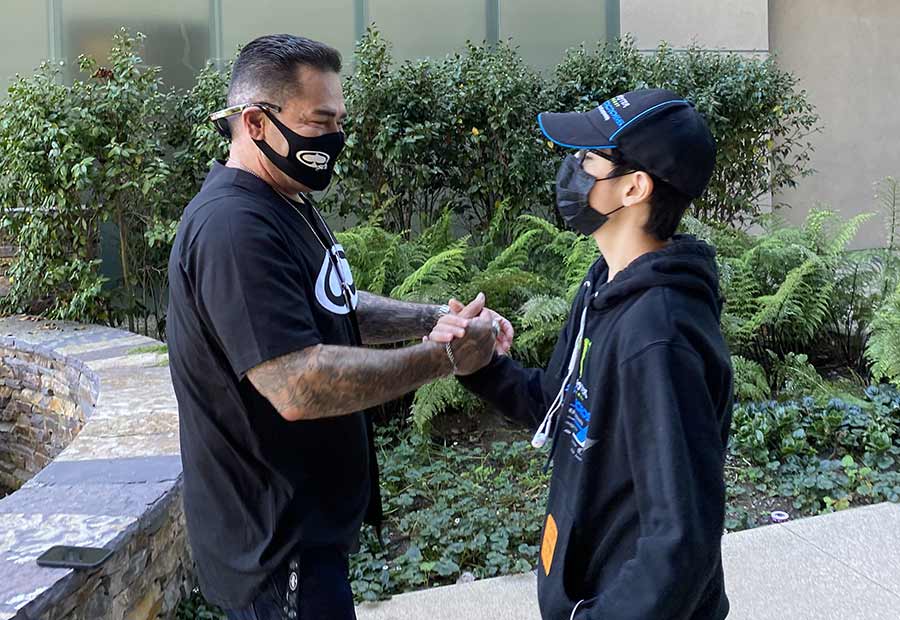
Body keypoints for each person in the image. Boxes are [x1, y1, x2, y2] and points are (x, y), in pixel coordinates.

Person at [166, 34, 511, 620]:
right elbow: (297, 384)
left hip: (309, 537)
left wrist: (434, 320)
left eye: (338, 121)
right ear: (255, 122)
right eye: (320, 121)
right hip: (275, 555)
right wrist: (447, 357)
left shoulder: (286, 199)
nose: (333, 138)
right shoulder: (234, 228)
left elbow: (336, 306)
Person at [435, 89, 733, 619]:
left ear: (634, 187)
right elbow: (558, 403)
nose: (572, 168)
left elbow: (680, 540)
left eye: (588, 157)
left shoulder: (658, 335)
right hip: (583, 588)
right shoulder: (604, 285)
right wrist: (481, 363)